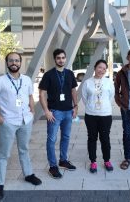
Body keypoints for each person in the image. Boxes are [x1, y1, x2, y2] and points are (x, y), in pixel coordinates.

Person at [0, 52, 42, 201]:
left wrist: (32, 110)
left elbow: (30, 96)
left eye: (17, 60)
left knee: (24, 149)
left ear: (20, 63)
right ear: (7, 63)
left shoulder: (27, 80)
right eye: (11, 61)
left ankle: (28, 174)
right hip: (8, 122)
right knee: (4, 154)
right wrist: (0, 119)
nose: (14, 63)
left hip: (25, 121)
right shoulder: (0, 81)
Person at [39, 48, 78, 179]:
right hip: (54, 112)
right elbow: (42, 93)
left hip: (68, 111)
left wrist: (76, 106)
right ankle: (53, 166)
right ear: (54, 59)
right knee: (52, 139)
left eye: (63, 57)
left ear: (65, 59)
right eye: (58, 58)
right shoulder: (48, 75)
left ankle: (63, 160)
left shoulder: (70, 73)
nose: (61, 60)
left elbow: (73, 91)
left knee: (66, 137)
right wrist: (46, 111)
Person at [82, 60, 114, 173]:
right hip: (91, 115)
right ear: (95, 68)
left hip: (105, 115)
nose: (102, 70)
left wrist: (103, 105)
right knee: (92, 138)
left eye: (104, 69)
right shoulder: (87, 82)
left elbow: (111, 96)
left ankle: (107, 160)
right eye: (100, 67)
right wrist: (92, 106)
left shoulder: (109, 82)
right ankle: (93, 161)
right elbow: (85, 98)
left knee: (105, 138)